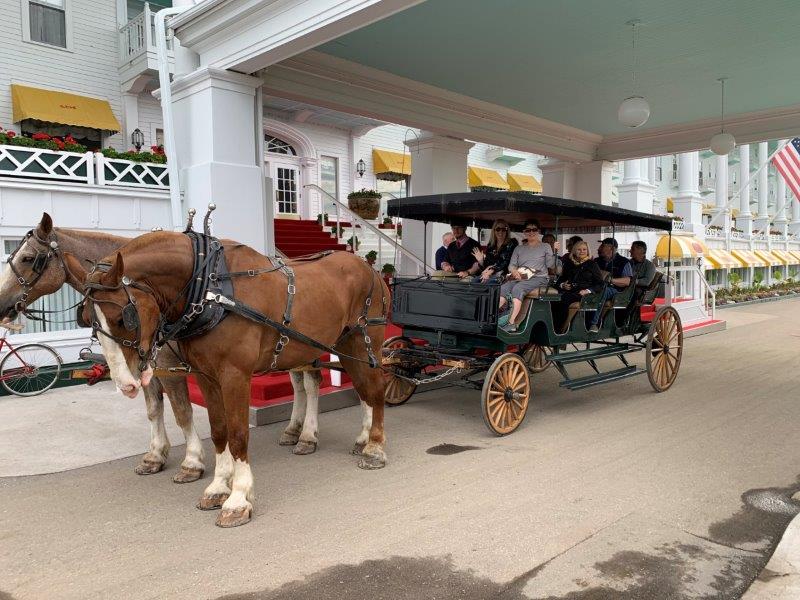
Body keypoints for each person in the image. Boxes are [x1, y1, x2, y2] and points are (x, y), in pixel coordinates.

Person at [498, 220, 554, 332]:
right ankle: (493, 318)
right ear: (524, 232)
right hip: (521, 276)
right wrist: (514, 272)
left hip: (539, 278)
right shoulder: (519, 248)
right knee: (503, 288)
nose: (531, 232)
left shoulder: (545, 246)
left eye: (534, 229)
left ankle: (511, 323)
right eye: (528, 230)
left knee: (518, 288)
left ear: (538, 231)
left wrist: (553, 251)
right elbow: (512, 265)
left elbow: (550, 265)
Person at [553, 240, 606, 333]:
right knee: (552, 300)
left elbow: (600, 284)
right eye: (579, 249)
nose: (582, 251)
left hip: (583, 294)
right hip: (568, 291)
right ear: (574, 251)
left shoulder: (592, 264)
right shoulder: (569, 263)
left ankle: (559, 330)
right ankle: (552, 327)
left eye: (584, 249)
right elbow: (560, 279)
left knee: (563, 300)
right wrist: (562, 285)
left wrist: (588, 290)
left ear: (587, 251)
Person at [590, 237, 633, 332]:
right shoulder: (596, 261)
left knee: (603, 290)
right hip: (597, 287)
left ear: (612, 249)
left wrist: (611, 280)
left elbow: (627, 281)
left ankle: (594, 323)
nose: (599, 248)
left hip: (616, 291)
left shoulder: (624, 262)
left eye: (603, 246)